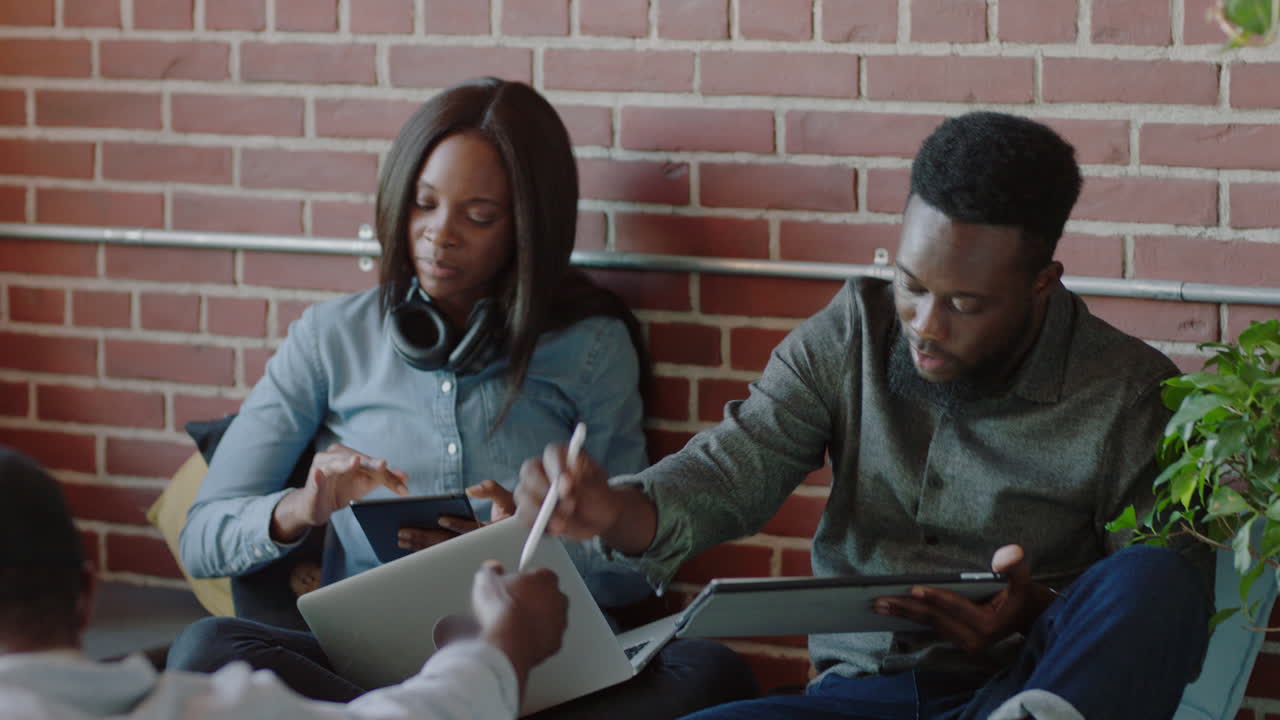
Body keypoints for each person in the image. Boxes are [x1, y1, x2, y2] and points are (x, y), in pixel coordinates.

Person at [515, 112, 1213, 720]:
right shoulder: (852, 332)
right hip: (853, 699)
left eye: (965, 305)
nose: (926, 326)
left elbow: (1157, 612)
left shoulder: (1128, 391)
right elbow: (732, 470)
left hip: (1016, 688)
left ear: (1040, 284)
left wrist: (1034, 615)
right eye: (910, 285)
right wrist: (612, 510)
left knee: (1158, 570)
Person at [170, 77, 754, 718]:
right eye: (423, 205)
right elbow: (202, 536)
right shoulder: (330, 338)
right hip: (372, 677)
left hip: (537, 669)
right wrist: (300, 508)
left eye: (478, 217)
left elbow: (630, 577)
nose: (439, 234)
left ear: (526, 227)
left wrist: (530, 542)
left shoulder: (590, 346)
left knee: (713, 670)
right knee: (208, 648)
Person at [0, 445, 569, 719]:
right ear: (86, 594)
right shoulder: (219, 710)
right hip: (440, 660)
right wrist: (301, 507)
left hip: (429, 659)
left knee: (209, 639)